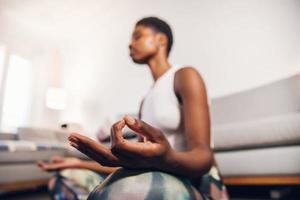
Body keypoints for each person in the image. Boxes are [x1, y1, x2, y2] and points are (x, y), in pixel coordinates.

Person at [39, 17, 229, 200]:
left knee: (120, 190)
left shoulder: (185, 76)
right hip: (154, 174)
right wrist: (78, 163)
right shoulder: (145, 100)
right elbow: (136, 164)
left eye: (137, 36)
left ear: (161, 39)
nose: (130, 44)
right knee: (63, 177)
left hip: (195, 181)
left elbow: (203, 157)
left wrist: (166, 158)